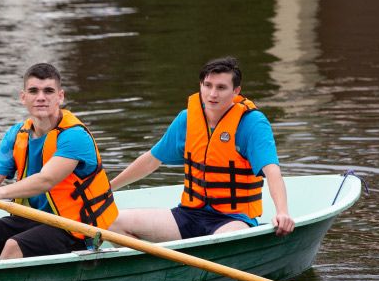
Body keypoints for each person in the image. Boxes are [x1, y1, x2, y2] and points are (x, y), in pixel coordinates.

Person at [0, 63, 118, 262]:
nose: (41, 97)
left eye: (48, 91)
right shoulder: (16, 135)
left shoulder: (74, 136)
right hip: (33, 220)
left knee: (13, 247)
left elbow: (45, 180)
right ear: (23, 97)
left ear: (60, 96)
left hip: (74, 228)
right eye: (33, 91)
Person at [108, 56, 294, 241]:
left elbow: (272, 171)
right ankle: (154, 266)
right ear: (200, 85)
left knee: (223, 241)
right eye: (208, 85)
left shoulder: (252, 123)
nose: (212, 94)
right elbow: (151, 160)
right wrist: (108, 189)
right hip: (188, 214)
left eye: (221, 87)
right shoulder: (187, 119)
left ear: (236, 91)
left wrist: (282, 212)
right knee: (110, 222)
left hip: (232, 219)